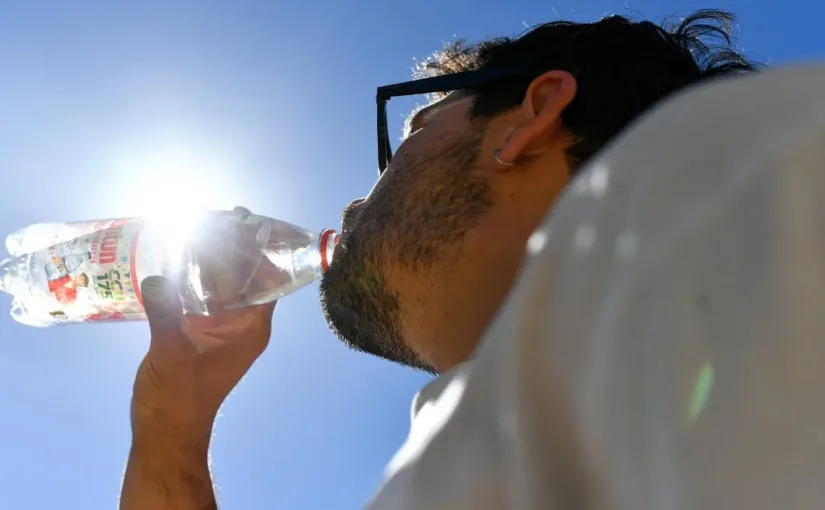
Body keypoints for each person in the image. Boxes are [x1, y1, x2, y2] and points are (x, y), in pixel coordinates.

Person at [118, 8, 825, 509]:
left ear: (531, 115)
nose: (354, 205)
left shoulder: (767, 180)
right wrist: (172, 427)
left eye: (418, 125)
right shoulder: (487, 434)